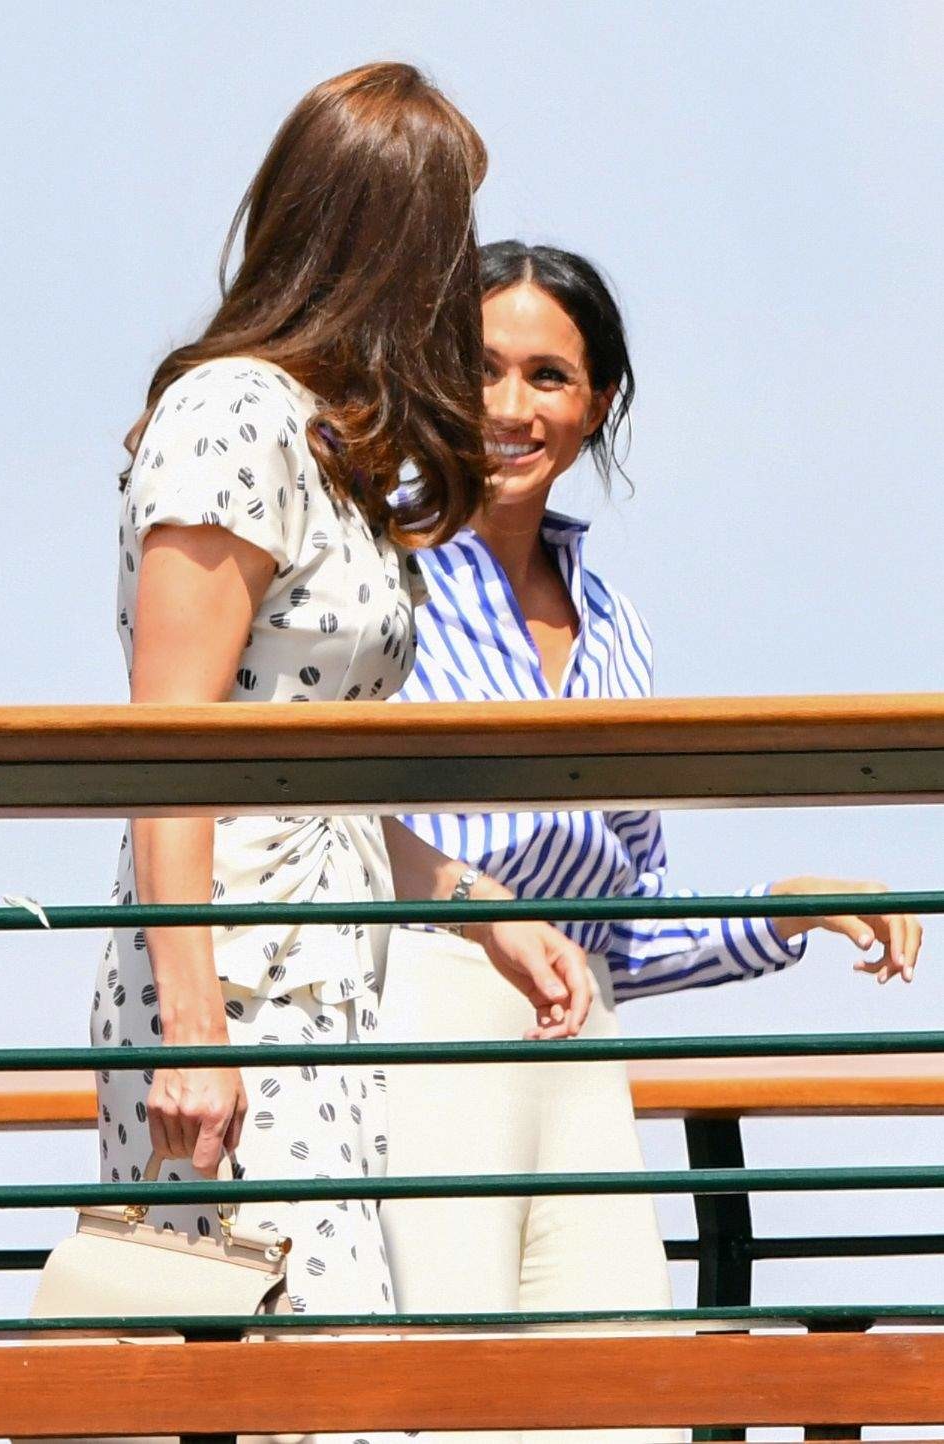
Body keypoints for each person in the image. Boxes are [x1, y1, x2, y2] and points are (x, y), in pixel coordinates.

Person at [83, 72, 592, 1425]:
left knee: (310, 1381)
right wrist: (194, 1032)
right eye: (447, 239)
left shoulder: (324, 441)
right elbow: (169, 741)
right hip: (232, 978)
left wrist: (478, 907)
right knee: (292, 1378)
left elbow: (308, 773)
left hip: (322, 983)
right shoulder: (229, 415)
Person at [379, 240, 923, 1444]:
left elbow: (616, 928)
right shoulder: (381, 578)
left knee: (619, 1398)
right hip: (420, 1007)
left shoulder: (613, 626)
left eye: (547, 376)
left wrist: (779, 908)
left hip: (580, 1042)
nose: (509, 407)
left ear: (597, 402)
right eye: (479, 370)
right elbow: (318, 826)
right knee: (448, 1400)